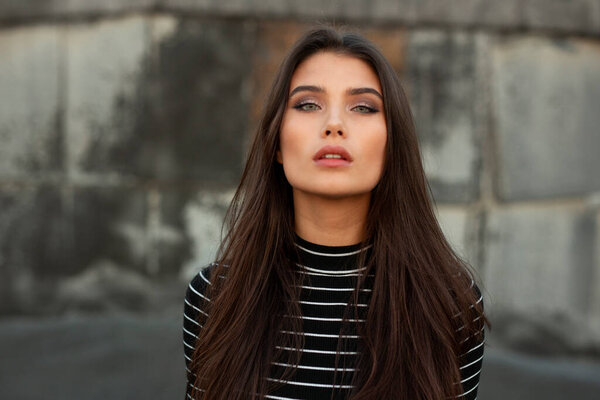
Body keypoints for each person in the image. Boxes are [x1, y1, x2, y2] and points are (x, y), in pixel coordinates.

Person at [183, 26, 487, 400]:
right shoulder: (215, 298)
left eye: (363, 107)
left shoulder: (448, 304)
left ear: (393, 145)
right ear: (276, 142)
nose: (334, 125)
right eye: (308, 104)